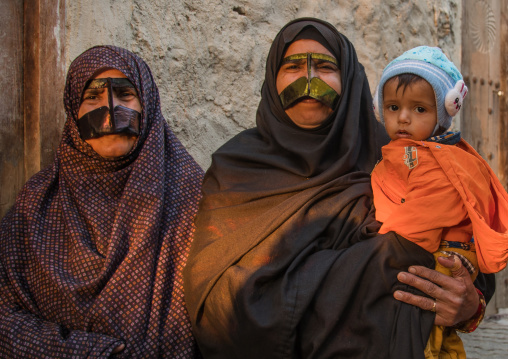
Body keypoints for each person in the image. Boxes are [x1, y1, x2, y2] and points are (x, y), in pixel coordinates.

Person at [183, 18, 493, 359]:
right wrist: (376, 264)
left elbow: (469, 240)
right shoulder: (237, 169)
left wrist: (468, 304)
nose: (309, 80)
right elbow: (214, 290)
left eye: (325, 67)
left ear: (349, 78)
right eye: (293, 66)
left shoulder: (396, 154)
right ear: (273, 78)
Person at [0, 46, 204, 358]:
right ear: (73, 110)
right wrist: (83, 352)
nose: (110, 111)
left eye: (125, 95)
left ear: (147, 103)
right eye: (92, 98)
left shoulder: (190, 194)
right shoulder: (36, 205)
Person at [371, 45, 508, 358]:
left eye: (419, 109)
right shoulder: (408, 152)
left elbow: (429, 212)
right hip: (427, 249)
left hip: (444, 254)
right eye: (392, 107)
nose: (403, 118)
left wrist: (382, 246)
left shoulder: (439, 159)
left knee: (422, 329)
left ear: (443, 113)